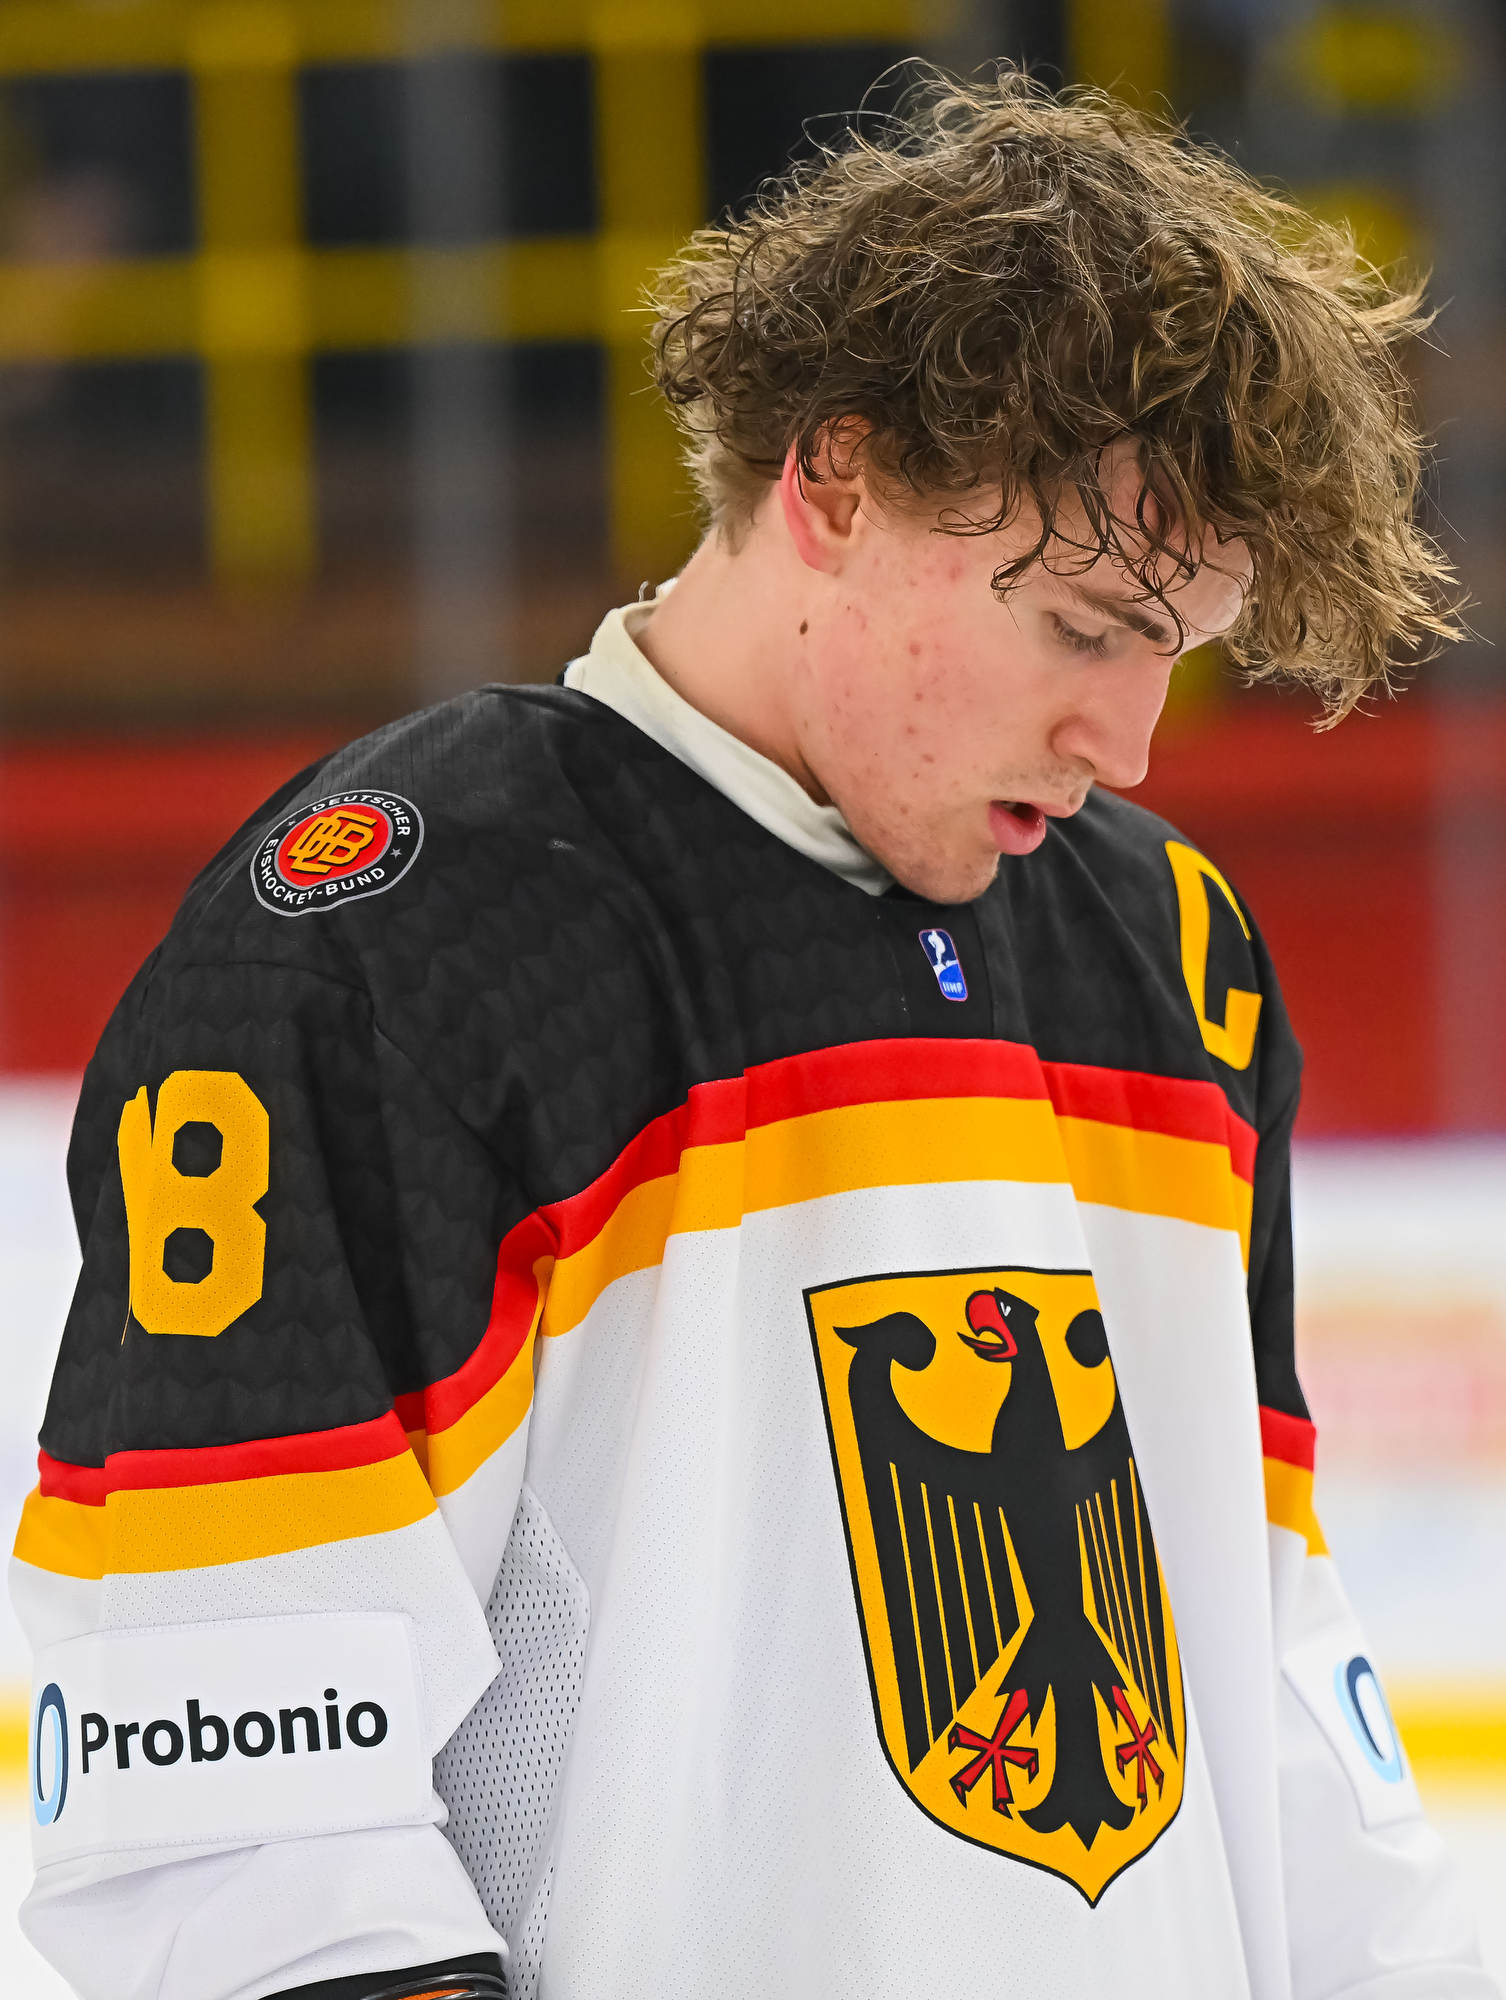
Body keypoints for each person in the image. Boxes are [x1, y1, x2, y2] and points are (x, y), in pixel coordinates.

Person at [11, 66, 1496, 2000]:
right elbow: (231, 1808)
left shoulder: (1169, 951)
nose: (1129, 744)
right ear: (837, 480)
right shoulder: (394, 934)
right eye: (1078, 629)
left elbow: (1271, 1693)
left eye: (1176, 652)